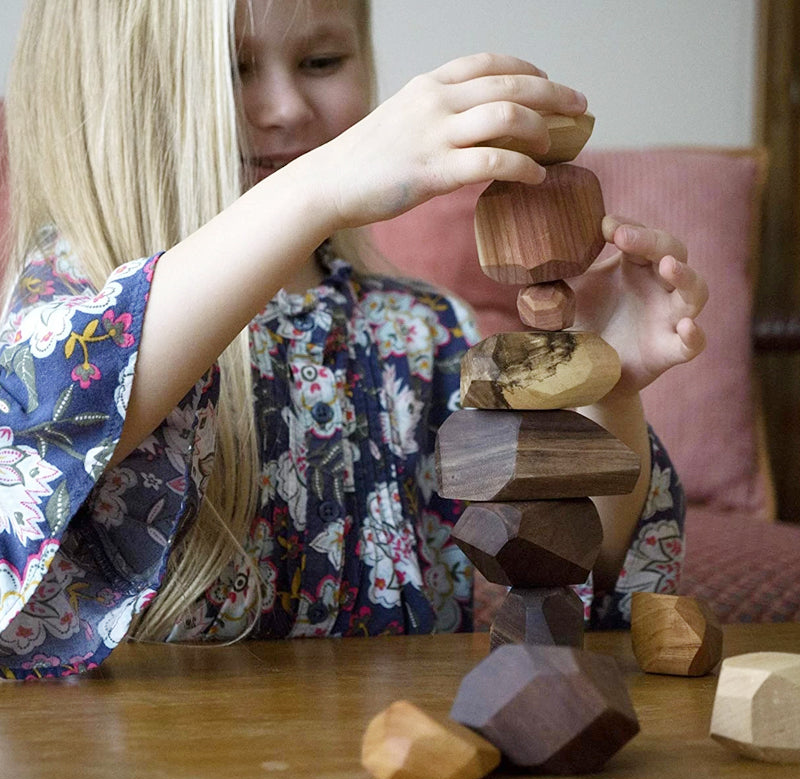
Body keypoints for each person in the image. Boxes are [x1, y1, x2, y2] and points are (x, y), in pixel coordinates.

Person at [0, 0, 706, 679]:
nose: (285, 109)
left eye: (321, 60)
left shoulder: (424, 331)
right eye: (232, 68)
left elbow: (567, 564)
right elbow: (55, 429)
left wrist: (603, 384)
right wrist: (319, 185)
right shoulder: (73, 301)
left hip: (389, 737)